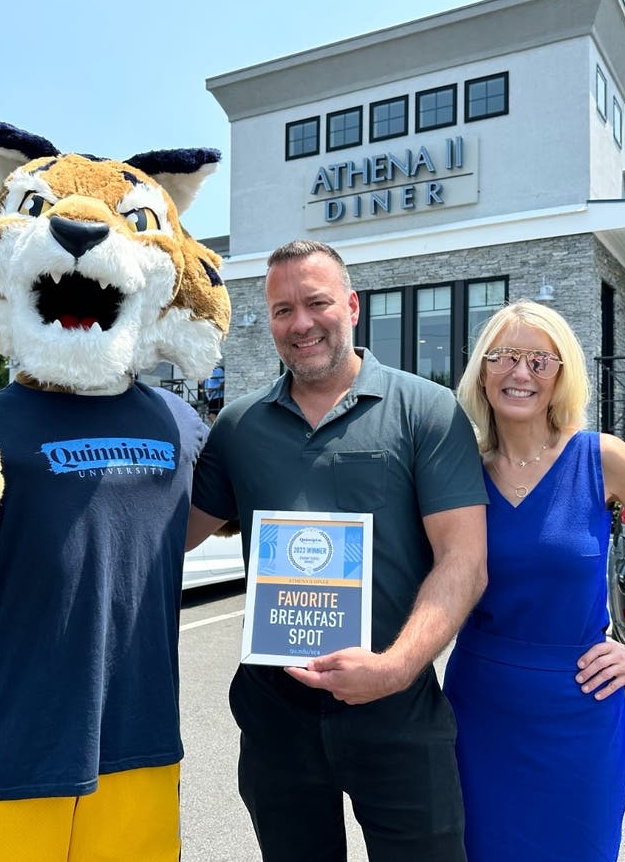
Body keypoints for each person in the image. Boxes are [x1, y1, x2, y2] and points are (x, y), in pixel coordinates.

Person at [185, 239, 489, 862]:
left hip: (397, 704)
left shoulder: (425, 410)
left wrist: (397, 667)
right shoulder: (239, 428)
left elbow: (465, 561)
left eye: (316, 302)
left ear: (351, 305)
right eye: (281, 309)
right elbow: (169, 534)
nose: (300, 323)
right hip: (277, 711)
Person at [441, 299, 625, 861]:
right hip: (479, 709)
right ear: (482, 369)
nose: (521, 373)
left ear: (561, 374)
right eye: (505, 357)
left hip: (579, 706)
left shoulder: (602, 459)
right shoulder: (456, 467)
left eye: (540, 361)